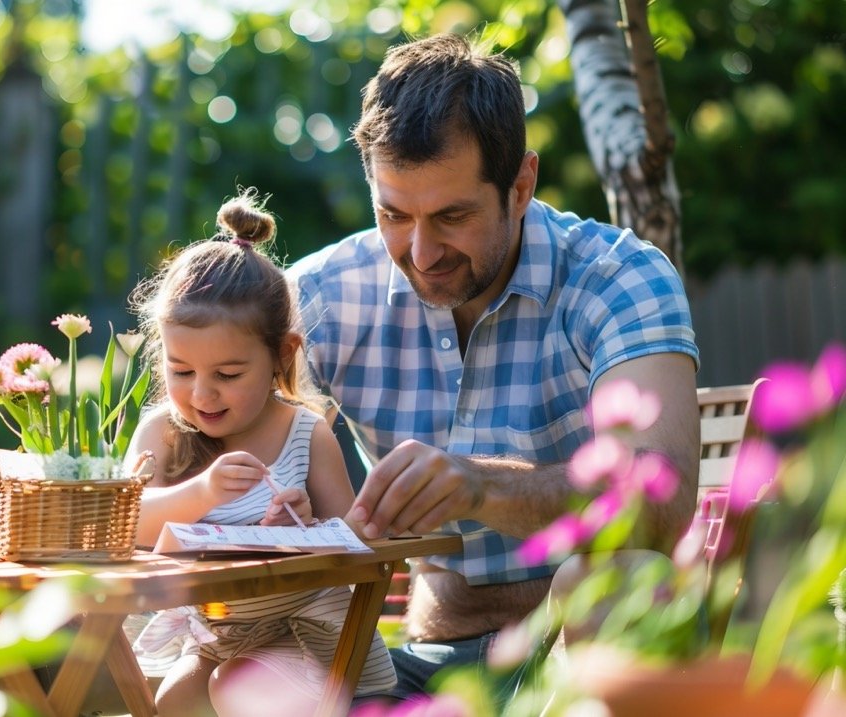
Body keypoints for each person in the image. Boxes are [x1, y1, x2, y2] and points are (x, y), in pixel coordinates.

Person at [285, 33, 701, 699]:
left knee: (613, 581)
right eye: (393, 214)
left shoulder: (619, 277)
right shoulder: (324, 298)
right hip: (417, 666)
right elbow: (214, 444)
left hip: (588, 656)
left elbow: (660, 498)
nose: (420, 252)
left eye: (452, 215)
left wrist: (478, 486)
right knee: (247, 673)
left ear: (522, 184)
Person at [122, 188, 398, 716]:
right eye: (181, 371)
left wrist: (305, 532)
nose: (202, 394)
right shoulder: (163, 434)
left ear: (281, 356)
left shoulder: (305, 433)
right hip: (218, 633)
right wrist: (200, 492)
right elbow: (128, 524)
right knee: (174, 699)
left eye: (227, 375)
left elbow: (358, 544)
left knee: (235, 685)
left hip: (314, 636)